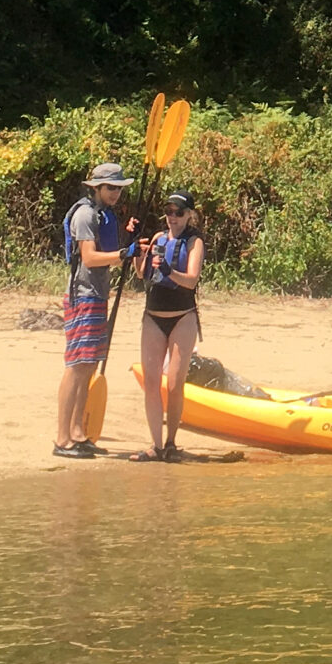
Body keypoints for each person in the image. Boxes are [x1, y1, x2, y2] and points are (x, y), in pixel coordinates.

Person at [53, 162, 135, 459]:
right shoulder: (86, 214)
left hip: (98, 295)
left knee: (88, 366)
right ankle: (62, 439)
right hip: (83, 296)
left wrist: (126, 243)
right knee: (76, 366)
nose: (115, 193)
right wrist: (123, 254)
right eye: (111, 188)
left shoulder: (106, 215)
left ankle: (77, 432)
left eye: (118, 188)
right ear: (96, 188)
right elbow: (88, 258)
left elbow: (106, 250)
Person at [133, 188, 206, 460]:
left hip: (182, 317)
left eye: (178, 213)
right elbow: (142, 273)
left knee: (174, 384)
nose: (172, 218)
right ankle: (156, 445)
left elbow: (191, 280)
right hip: (153, 316)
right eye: (169, 212)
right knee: (152, 383)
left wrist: (169, 271)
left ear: (189, 215)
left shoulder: (193, 242)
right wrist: (136, 248)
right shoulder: (158, 238)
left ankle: (172, 442)